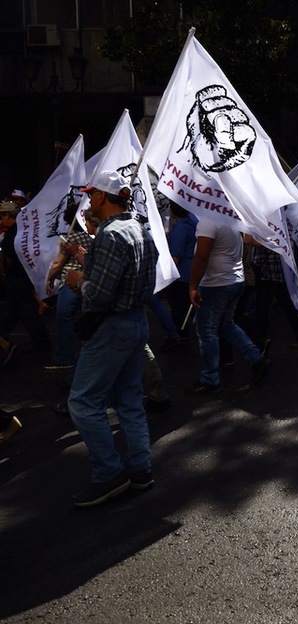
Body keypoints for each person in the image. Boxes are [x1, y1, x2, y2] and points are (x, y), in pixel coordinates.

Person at [64, 170, 157, 507]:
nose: (88, 201)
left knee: (83, 402)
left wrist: (77, 280)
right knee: (129, 400)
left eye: (91, 195)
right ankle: (140, 469)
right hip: (135, 323)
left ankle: (109, 473)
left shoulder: (110, 235)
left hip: (112, 327)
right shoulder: (141, 230)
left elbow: (100, 295)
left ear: (103, 197)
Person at [188, 219, 271, 393]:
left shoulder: (208, 222)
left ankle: (209, 379)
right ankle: (257, 359)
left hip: (216, 284)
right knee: (227, 325)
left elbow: (202, 256)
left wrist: (193, 286)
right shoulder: (228, 218)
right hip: (233, 280)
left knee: (207, 330)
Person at [44, 204, 96, 371]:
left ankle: (66, 357)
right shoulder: (92, 238)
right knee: (88, 321)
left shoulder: (70, 239)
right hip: (88, 283)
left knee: (64, 319)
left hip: (71, 284)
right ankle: (87, 357)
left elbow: (58, 263)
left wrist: (50, 279)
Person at [0, 200, 52, 354]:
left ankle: (43, 345)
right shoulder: (25, 231)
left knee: (27, 312)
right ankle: (3, 337)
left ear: (7, 216)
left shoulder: (11, 235)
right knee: (14, 311)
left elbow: (8, 259)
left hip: (17, 279)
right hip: (26, 276)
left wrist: (3, 274)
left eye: (2, 216)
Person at [248, 237, 298, 349]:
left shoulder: (270, 227)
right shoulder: (275, 225)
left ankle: (260, 340)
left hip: (272, 271)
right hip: (271, 271)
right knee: (268, 307)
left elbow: (256, 242)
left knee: (266, 307)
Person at [164, 203, 198, 349]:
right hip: (193, 272)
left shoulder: (181, 228)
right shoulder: (195, 222)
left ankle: (180, 338)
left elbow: (175, 257)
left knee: (179, 309)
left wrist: (164, 275)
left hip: (181, 275)